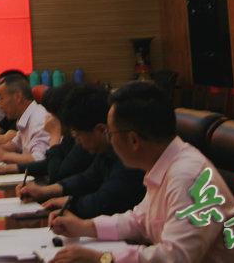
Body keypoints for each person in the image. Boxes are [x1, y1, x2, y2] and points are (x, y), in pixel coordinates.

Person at [49, 81, 234, 263]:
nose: (110, 141)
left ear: (133, 140)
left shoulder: (187, 177)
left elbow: (174, 258)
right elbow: (140, 221)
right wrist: (85, 227)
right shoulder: (164, 163)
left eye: (111, 134)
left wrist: (102, 259)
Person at [18, 84, 145, 219]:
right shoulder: (105, 149)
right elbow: (87, 178)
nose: (77, 142)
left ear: (101, 130)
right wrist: (45, 191)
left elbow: (105, 201)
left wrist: (71, 204)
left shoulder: (128, 155)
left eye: (77, 135)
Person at [0, 83, 94, 182]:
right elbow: (46, 164)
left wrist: (55, 136)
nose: (48, 119)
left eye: (1, 98)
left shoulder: (80, 139)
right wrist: (6, 167)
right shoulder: (69, 136)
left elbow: (53, 173)